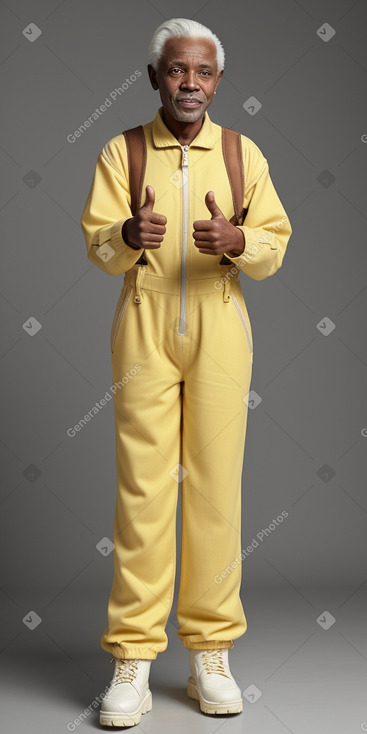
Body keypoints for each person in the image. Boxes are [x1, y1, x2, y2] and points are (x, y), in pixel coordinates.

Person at [80, 17, 292, 727]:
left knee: (213, 490)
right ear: (153, 78)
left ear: (218, 81)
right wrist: (124, 236)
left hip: (219, 320)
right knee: (142, 489)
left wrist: (238, 241)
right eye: (176, 70)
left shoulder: (240, 154)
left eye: (203, 71)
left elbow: (273, 244)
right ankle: (133, 659)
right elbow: (98, 243)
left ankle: (210, 653)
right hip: (142, 324)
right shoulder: (122, 152)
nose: (190, 83)